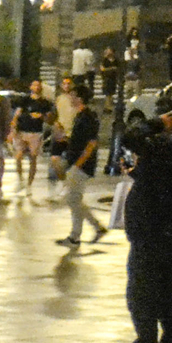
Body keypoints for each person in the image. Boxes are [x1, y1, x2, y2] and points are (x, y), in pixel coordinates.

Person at [115, 99, 172, 343]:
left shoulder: (169, 146)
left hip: (155, 236)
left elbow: (128, 135)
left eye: (161, 117)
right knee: (165, 300)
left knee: (140, 298)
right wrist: (138, 172)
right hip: (165, 234)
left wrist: (158, 124)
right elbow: (162, 181)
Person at [56, 82, 106, 248]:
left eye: (73, 94)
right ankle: (97, 227)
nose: (70, 97)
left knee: (72, 199)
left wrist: (78, 164)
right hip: (75, 162)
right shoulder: (79, 115)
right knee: (74, 199)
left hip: (82, 165)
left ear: (79, 98)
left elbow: (91, 143)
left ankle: (75, 237)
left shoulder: (88, 117)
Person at [12, 80, 52, 202]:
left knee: (32, 158)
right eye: (34, 85)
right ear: (30, 87)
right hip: (22, 130)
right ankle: (20, 180)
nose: (36, 87)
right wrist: (13, 126)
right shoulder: (25, 100)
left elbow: (49, 119)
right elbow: (17, 113)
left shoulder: (45, 103)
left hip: (36, 132)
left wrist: (42, 117)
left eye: (38, 86)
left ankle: (29, 185)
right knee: (18, 156)